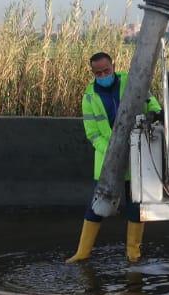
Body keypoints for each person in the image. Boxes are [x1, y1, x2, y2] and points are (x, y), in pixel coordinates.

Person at [66, 52, 162, 264]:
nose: (103, 75)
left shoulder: (130, 81)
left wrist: (155, 113)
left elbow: (151, 102)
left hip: (135, 157)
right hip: (107, 162)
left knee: (135, 206)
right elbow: (92, 133)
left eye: (106, 71)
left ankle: (133, 253)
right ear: (93, 73)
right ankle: (82, 252)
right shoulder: (89, 97)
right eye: (98, 73)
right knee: (96, 206)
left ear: (113, 66)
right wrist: (111, 149)